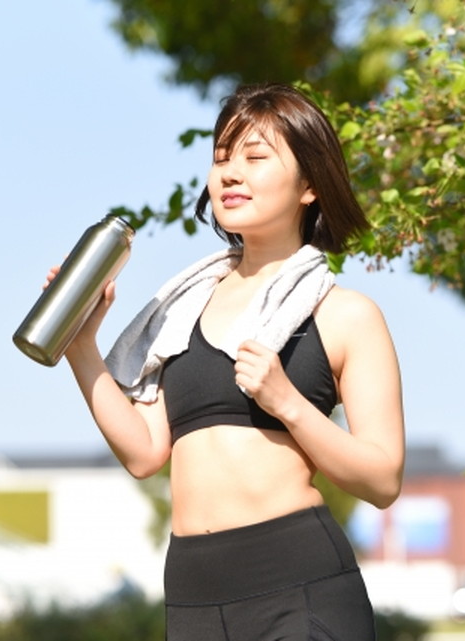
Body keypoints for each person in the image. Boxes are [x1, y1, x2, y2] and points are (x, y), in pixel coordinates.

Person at [47, 83, 405, 641]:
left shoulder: (346, 315)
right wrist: (80, 347)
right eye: (221, 158)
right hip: (193, 593)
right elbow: (145, 454)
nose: (230, 173)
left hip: (299, 584)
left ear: (309, 184)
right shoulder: (179, 308)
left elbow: (382, 479)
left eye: (255, 157)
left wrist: (287, 402)